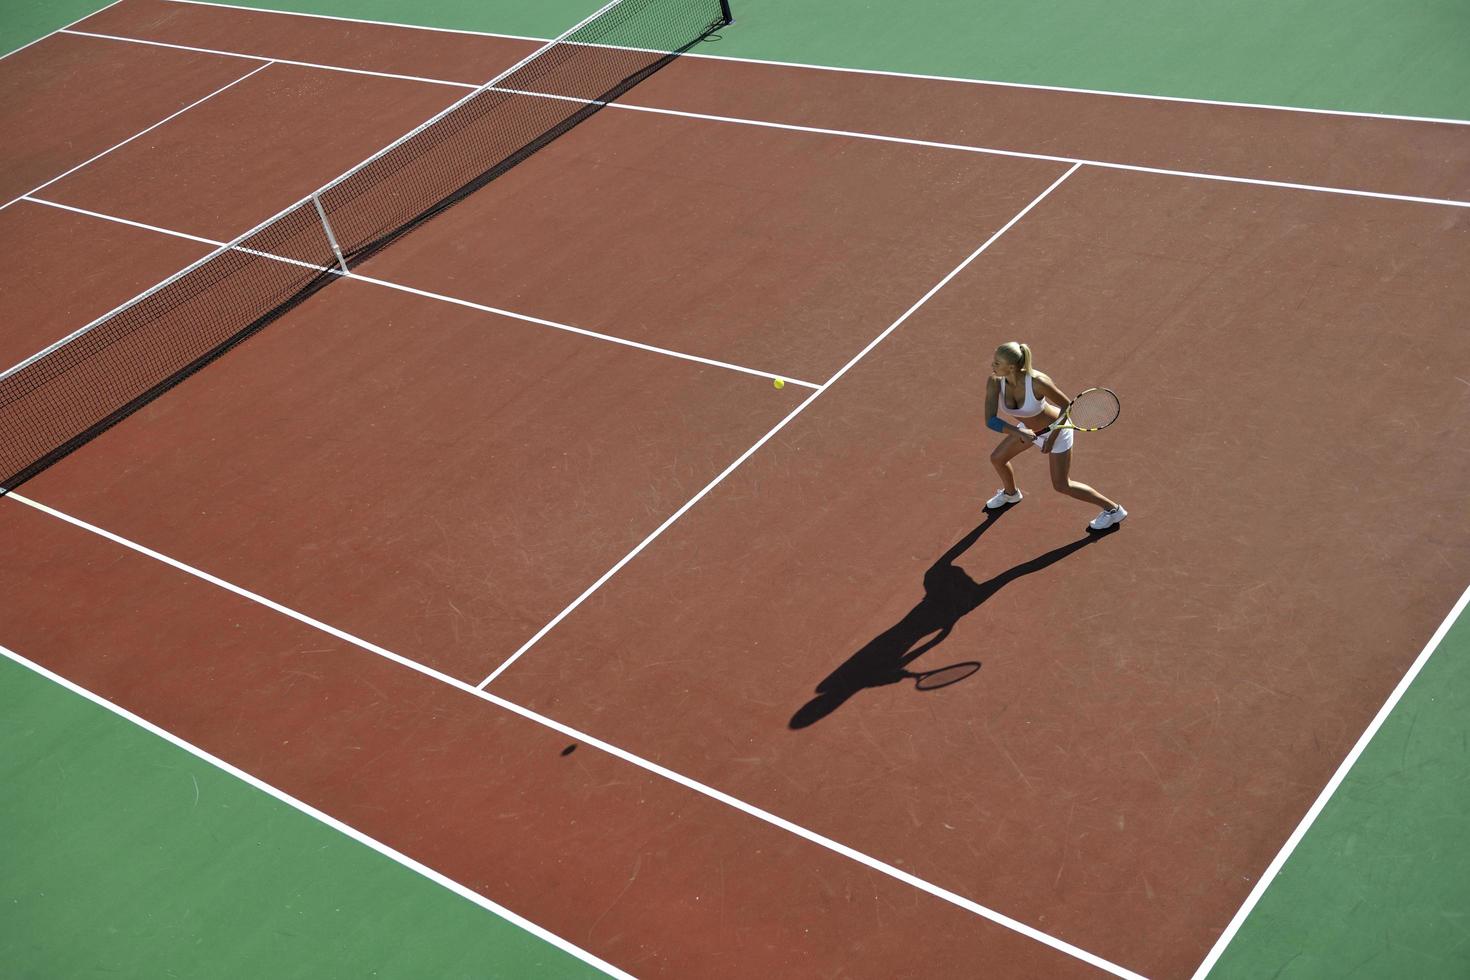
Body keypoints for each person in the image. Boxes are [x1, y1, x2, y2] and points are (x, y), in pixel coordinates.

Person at [984, 341, 1126, 531]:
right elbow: (990, 420)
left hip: (1057, 431)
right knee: (997, 459)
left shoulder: (1037, 382)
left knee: (1062, 485)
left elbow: (1068, 407)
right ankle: (1011, 494)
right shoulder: (995, 382)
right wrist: (1019, 432)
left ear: (1011, 367)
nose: (992, 365)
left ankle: (1113, 510)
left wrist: (1051, 438)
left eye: (996, 363)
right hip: (1028, 432)